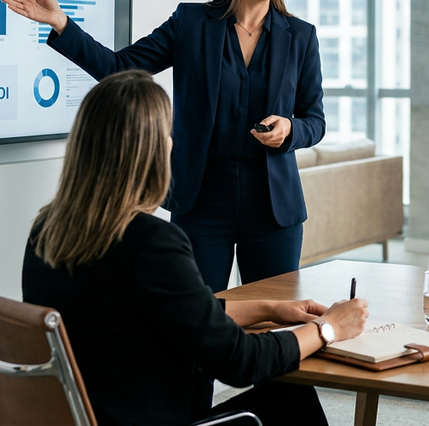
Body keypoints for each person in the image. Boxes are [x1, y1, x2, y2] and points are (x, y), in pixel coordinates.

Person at [0, 0, 324, 293]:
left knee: (277, 318)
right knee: (197, 321)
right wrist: (62, 25)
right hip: (200, 201)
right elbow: (119, 69)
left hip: (273, 207)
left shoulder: (301, 36)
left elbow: (314, 120)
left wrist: (290, 130)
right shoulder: (191, 23)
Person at [22, 70, 367, 426]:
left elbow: (169, 310)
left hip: (86, 416)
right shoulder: (151, 242)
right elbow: (241, 361)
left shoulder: (48, 230)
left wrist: (269, 308)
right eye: (168, 133)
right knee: (291, 399)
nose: (173, 143)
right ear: (150, 150)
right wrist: (329, 329)